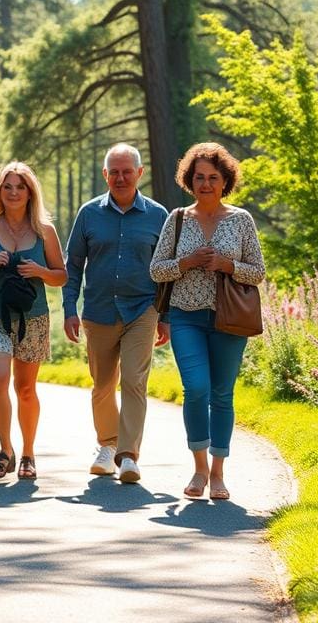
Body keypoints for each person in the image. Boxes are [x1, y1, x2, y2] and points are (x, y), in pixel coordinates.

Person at [149, 142, 265, 500]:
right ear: (189, 180)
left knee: (222, 394)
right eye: (199, 177)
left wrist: (227, 265)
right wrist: (188, 262)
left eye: (213, 177)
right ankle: (198, 469)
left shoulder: (241, 219)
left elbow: (258, 272)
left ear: (225, 180)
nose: (206, 184)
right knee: (196, 388)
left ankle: (218, 473)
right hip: (186, 317)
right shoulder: (178, 219)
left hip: (229, 319)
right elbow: (157, 271)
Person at [63, 143, 169, 483]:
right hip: (99, 310)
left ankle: (128, 456)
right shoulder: (89, 214)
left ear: (139, 173)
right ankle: (106, 446)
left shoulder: (158, 215)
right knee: (103, 384)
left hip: (143, 309)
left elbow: (167, 271)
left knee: (135, 382)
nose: (121, 178)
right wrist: (69, 308)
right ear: (105, 174)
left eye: (127, 171)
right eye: (114, 172)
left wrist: (164, 315)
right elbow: (73, 264)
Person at [0, 162, 66, 480]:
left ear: (30, 192)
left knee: (24, 389)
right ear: (0, 191)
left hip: (33, 317)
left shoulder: (44, 231)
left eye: (19, 187)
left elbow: (61, 276)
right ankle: (5, 450)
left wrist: (40, 272)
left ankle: (28, 454)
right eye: (7, 186)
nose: (13, 192)